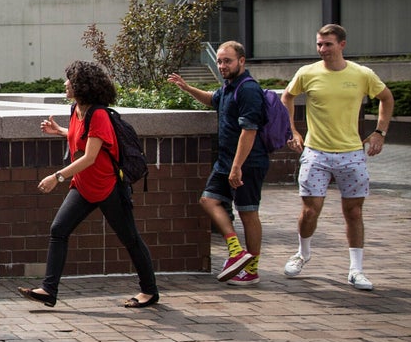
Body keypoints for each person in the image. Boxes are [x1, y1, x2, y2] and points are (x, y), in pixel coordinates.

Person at [18, 60, 159, 308]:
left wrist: (57, 177)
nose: (65, 84)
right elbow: (81, 137)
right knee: (58, 230)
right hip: (83, 186)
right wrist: (60, 131)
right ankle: (48, 290)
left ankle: (150, 291)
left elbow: (90, 156)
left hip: (108, 188)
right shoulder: (76, 110)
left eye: (69, 80)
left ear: (81, 85)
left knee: (130, 238)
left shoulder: (100, 114)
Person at [280, 24, 394, 290]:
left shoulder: (362, 74)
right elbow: (287, 98)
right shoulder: (306, 73)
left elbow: (386, 98)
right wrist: (293, 130)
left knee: (353, 212)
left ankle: (356, 270)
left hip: (352, 154)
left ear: (342, 44)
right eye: (319, 44)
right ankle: (302, 254)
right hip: (315, 152)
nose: (322, 49)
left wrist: (380, 132)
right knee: (310, 210)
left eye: (327, 44)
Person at [168, 41, 268, 286]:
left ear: (241, 61)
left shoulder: (248, 89)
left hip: (247, 163)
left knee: (248, 212)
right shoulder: (228, 86)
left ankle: (251, 269)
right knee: (208, 200)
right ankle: (236, 252)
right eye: (220, 61)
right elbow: (213, 100)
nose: (222, 65)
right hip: (225, 162)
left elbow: (249, 131)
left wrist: (237, 167)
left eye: (227, 61)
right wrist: (187, 87)